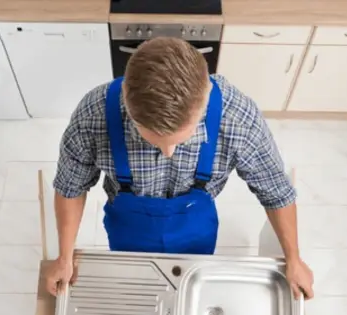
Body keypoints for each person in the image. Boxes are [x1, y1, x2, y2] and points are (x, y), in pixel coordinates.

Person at [46, 37, 314, 300]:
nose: (167, 153)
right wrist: (64, 256)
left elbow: (276, 192)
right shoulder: (93, 115)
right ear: (127, 101)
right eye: (152, 139)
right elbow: (71, 187)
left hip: (195, 232)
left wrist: (293, 258)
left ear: (205, 97)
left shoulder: (238, 118)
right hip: (127, 231)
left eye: (180, 140)